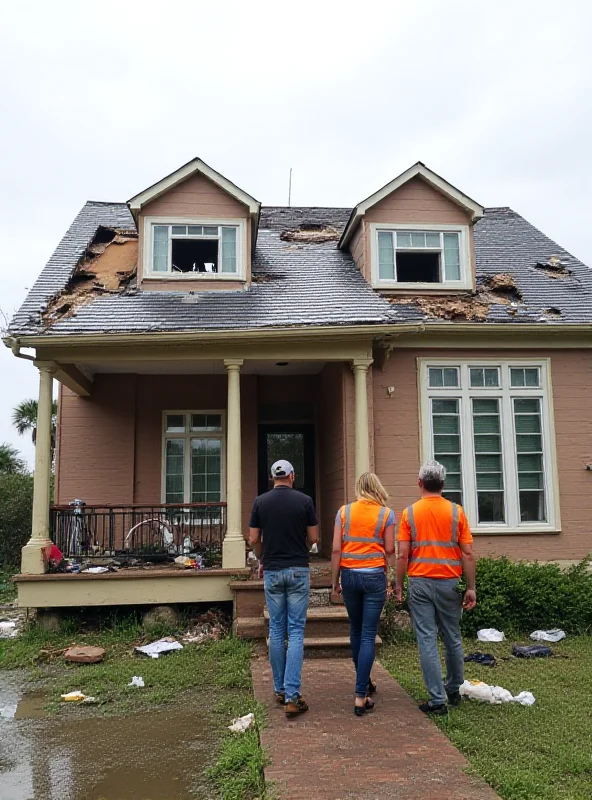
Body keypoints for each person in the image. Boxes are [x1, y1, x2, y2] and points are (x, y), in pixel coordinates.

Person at [396, 460, 477, 716]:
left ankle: (436, 699)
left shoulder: (409, 513)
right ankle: (454, 689)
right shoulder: (457, 512)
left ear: (420, 483)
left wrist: (398, 584)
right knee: (452, 636)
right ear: (442, 484)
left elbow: (402, 556)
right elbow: (467, 554)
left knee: (427, 639)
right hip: (450, 583)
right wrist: (471, 587)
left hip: (420, 582)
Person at [248, 459, 319, 718]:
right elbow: (313, 538)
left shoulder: (260, 502)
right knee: (296, 631)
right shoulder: (305, 501)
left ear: (272, 478)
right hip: (298, 569)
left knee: (276, 629)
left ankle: (279, 689)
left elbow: (254, 538)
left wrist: (262, 558)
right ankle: (292, 695)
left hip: (274, 570)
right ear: (292, 475)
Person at [331, 472, 396, 716]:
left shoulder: (344, 512)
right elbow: (389, 549)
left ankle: (365, 683)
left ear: (359, 489)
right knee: (369, 633)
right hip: (373, 576)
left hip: (349, 575)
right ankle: (361, 695)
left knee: (355, 630)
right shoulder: (386, 514)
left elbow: (337, 548)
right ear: (377, 488)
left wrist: (334, 580)